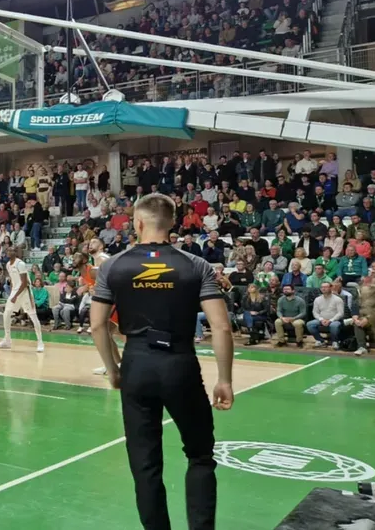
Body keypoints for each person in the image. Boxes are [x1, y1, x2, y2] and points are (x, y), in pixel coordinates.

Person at [90, 193, 234, 530]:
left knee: (145, 465)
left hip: (136, 364)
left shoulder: (112, 266)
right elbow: (221, 326)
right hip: (180, 364)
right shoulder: (196, 265)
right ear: (173, 223)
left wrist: (113, 369)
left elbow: (97, 325)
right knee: (200, 455)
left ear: (138, 223)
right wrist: (224, 379)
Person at [2, 247, 44, 351]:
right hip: (15, 291)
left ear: (15, 252)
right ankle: (7, 340)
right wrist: (12, 292)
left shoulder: (20, 264)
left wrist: (15, 296)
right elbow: (13, 280)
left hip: (25, 292)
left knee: (33, 316)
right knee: (6, 314)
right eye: (7, 250)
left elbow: (24, 283)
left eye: (11, 250)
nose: (9, 252)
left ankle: (40, 342)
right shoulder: (8, 265)